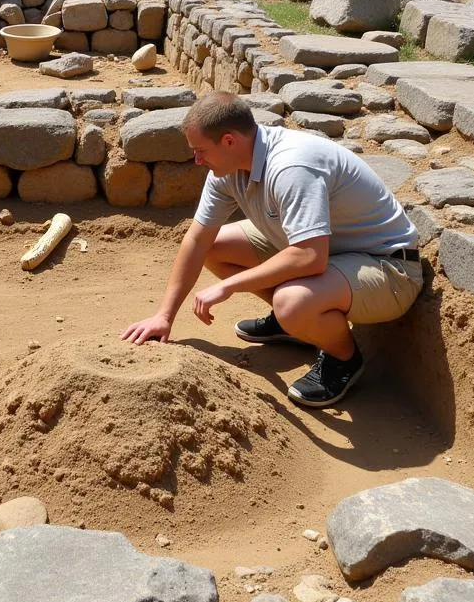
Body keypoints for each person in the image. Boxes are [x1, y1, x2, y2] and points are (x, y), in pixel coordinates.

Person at [121, 92, 423, 408]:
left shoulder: (291, 166)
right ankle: (297, 327)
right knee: (216, 247)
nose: (197, 160)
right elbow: (198, 240)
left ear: (228, 141)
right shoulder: (227, 170)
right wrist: (164, 316)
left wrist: (227, 286)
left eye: (200, 151)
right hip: (332, 251)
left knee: (291, 301)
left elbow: (309, 256)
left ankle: (342, 357)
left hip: (389, 267)